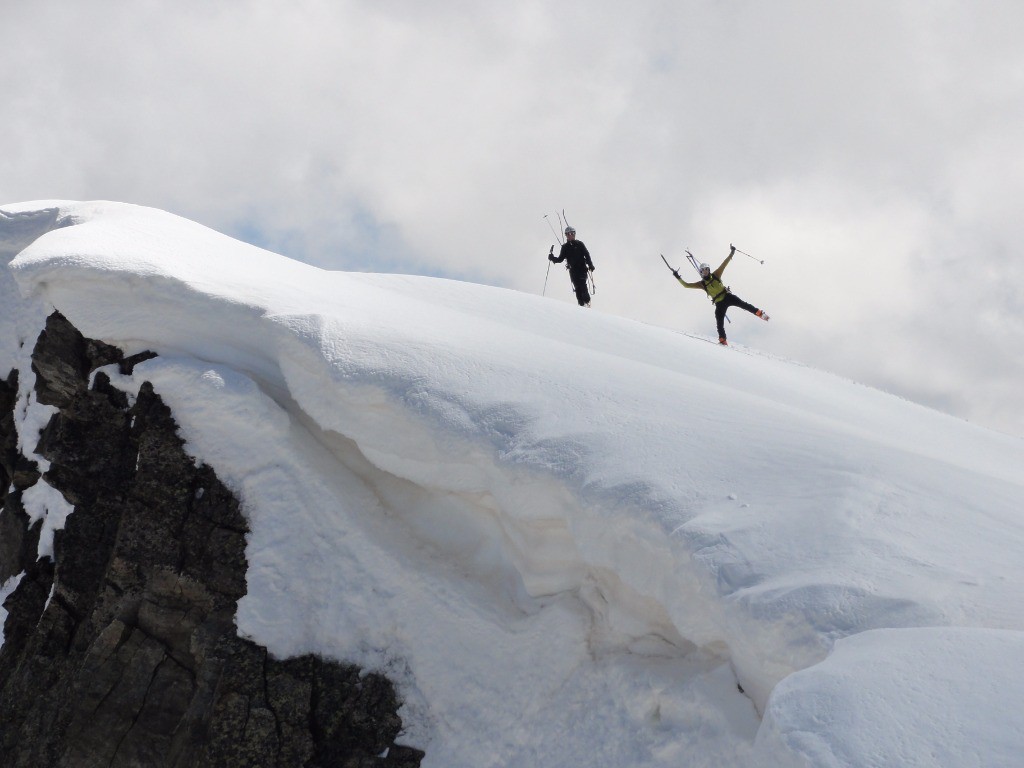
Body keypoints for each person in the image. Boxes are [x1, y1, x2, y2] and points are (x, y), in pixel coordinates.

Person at [672, 244, 769, 345]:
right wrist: (677, 277)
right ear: (701, 272)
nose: (705, 272)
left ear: (709, 270)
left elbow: (724, 264)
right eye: (703, 271)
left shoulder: (716, 275)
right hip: (719, 303)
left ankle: (759, 313)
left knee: (743, 304)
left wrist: (732, 253)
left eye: (707, 270)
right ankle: (723, 340)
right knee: (719, 322)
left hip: (727, 296)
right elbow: (686, 285)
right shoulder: (701, 284)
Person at [549, 226, 595, 306]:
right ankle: (581, 306)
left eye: (572, 233)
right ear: (566, 235)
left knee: (583, 285)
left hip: (582, 269)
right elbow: (560, 259)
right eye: (568, 234)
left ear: (574, 234)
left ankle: (587, 301)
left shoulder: (580, 244)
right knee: (577, 289)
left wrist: (590, 265)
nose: (570, 235)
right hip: (573, 271)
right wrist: (552, 258)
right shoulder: (565, 247)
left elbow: (586, 255)